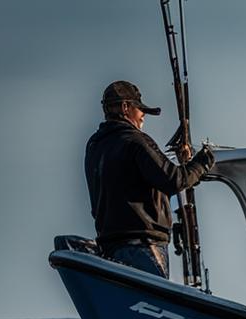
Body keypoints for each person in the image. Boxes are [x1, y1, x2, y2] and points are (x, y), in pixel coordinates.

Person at [84, 80, 214, 278]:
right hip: (143, 248)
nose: (143, 115)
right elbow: (174, 180)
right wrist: (201, 163)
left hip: (109, 249)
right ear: (125, 107)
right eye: (139, 108)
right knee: (154, 301)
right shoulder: (136, 141)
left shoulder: (94, 146)